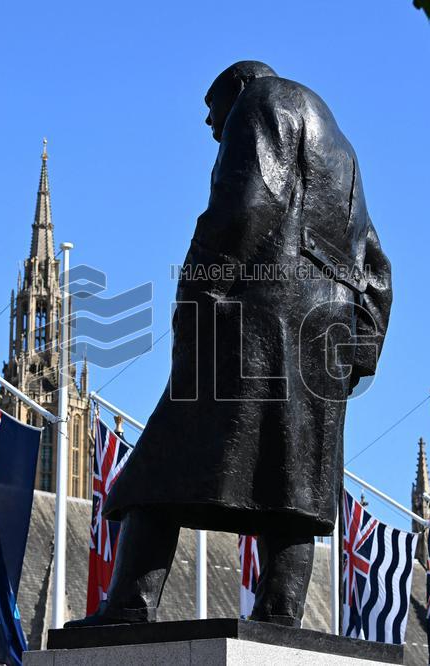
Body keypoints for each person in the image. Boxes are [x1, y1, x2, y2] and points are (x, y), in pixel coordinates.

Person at [67, 60, 391, 628]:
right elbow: (376, 264)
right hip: (325, 332)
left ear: (238, 87)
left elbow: (246, 205)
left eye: (213, 110)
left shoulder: (261, 100)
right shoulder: (343, 149)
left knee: (157, 467)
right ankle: (280, 615)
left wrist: (197, 291)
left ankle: (129, 605)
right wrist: (358, 348)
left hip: (257, 316)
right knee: (295, 482)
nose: (210, 126)